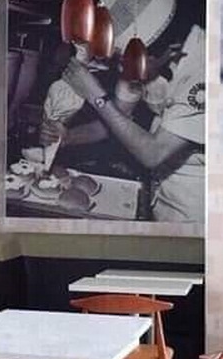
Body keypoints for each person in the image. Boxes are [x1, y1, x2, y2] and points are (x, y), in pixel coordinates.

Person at [55, 23, 205, 222]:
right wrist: (66, 137)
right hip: (158, 189)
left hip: (193, 205)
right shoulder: (143, 56)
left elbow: (154, 153)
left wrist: (95, 95)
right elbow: (116, 120)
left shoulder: (203, 68)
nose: (120, 68)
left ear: (169, 50)